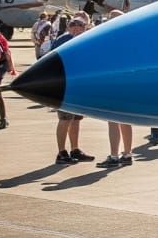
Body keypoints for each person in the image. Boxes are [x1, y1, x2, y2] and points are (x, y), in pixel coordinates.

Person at [52, 15, 95, 165]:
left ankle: (75, 149)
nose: (76, 27)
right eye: (73, 24)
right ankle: (61, 152)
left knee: (76, 119)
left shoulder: (87, 39)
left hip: (79, 86)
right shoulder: (63, 40)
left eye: (80, 25)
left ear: (85, 27)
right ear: (68, 27)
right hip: (64, 86)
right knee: (65, 119)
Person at [101, 11, 133, 167]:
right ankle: (127, 153)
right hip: (127, 84)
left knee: (113, 120)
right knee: (125, 120)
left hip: (114, 84)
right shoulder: (129, 38)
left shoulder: (111, 39)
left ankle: (114, 155)